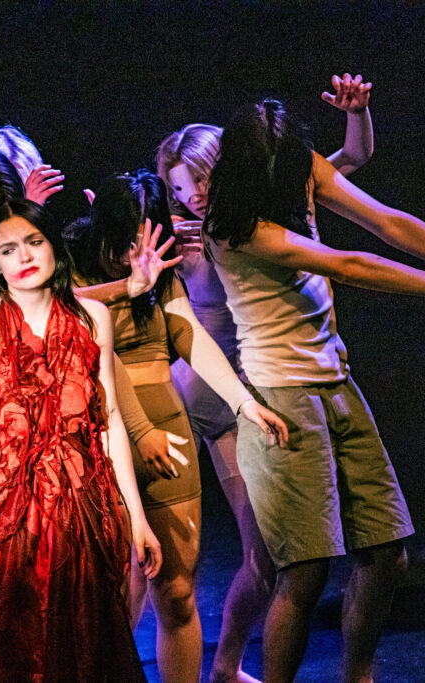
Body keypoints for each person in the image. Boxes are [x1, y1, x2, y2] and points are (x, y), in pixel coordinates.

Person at [203, 98, 425, 683]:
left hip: (337, 384)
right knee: (304, 573)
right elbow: (348, 262)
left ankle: (359, 676)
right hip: (282, 399)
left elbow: (387, 222)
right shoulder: (233, 227)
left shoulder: (299, 167)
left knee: (386, 556)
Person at [154, 72, 375, 683]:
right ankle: (221, 665)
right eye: (179, 189)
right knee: (258, 554)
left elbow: (351, 159)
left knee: (272, 558)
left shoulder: (260, 207)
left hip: (260, 383)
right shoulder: (188, 240)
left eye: (200, 180)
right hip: (214, 395)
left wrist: (356, 114)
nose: (193, 197)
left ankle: (226, 666)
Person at [0, 197, 163, 681]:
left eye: (34, 241)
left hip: (81, 512)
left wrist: (136, 516)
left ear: (53, 244)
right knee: (4, 654)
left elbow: (109, 419)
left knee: (81, 654)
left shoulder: (92, 317)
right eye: (7, 249)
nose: (24, 256)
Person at [66, 170, 287, 683]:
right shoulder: (71, 264)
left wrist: (241, 401)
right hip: (99, 438)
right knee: (108, 595)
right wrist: (126, 287)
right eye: (123, 240)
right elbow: (60, 314)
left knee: (179, 591)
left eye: (144, 239)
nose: (133, 253)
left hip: (168, 432)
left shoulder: (162, 271)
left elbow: (189, 336)